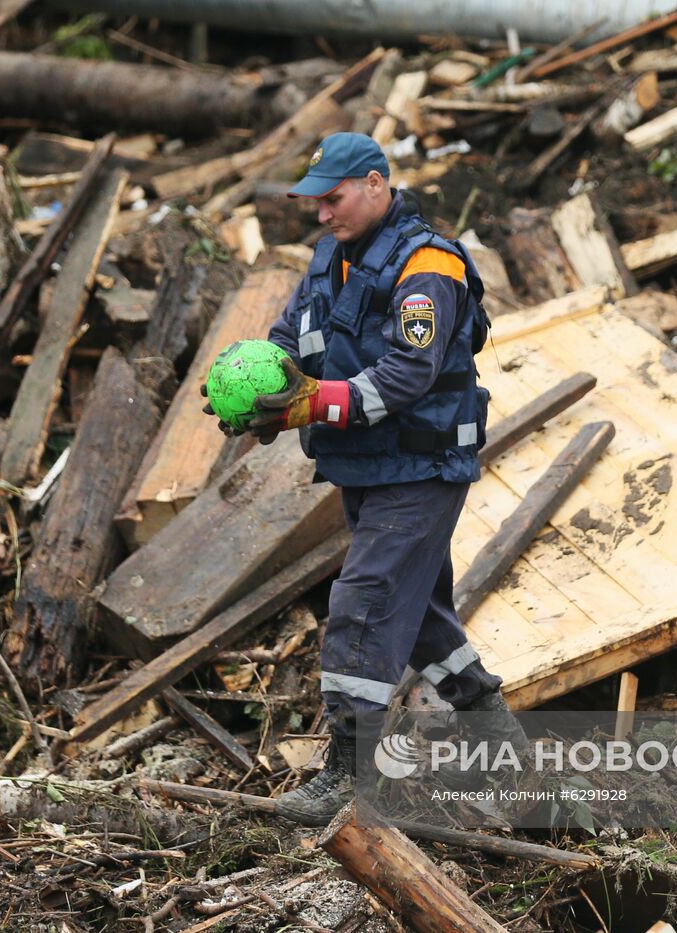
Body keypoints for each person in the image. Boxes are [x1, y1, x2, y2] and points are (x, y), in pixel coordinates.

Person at [205, 132, 527, 823]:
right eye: (315, 201)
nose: (322, 213)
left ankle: (350, 779)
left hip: (422, 465)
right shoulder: (329, 262)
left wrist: (311, 402)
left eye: (335, 197)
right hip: (367, 467)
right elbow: (290, 341)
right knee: (420, 620)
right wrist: (254, 394)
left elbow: (409, 373)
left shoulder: (428, 265)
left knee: (364, 604)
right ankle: (513, 759)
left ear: (378, 184)